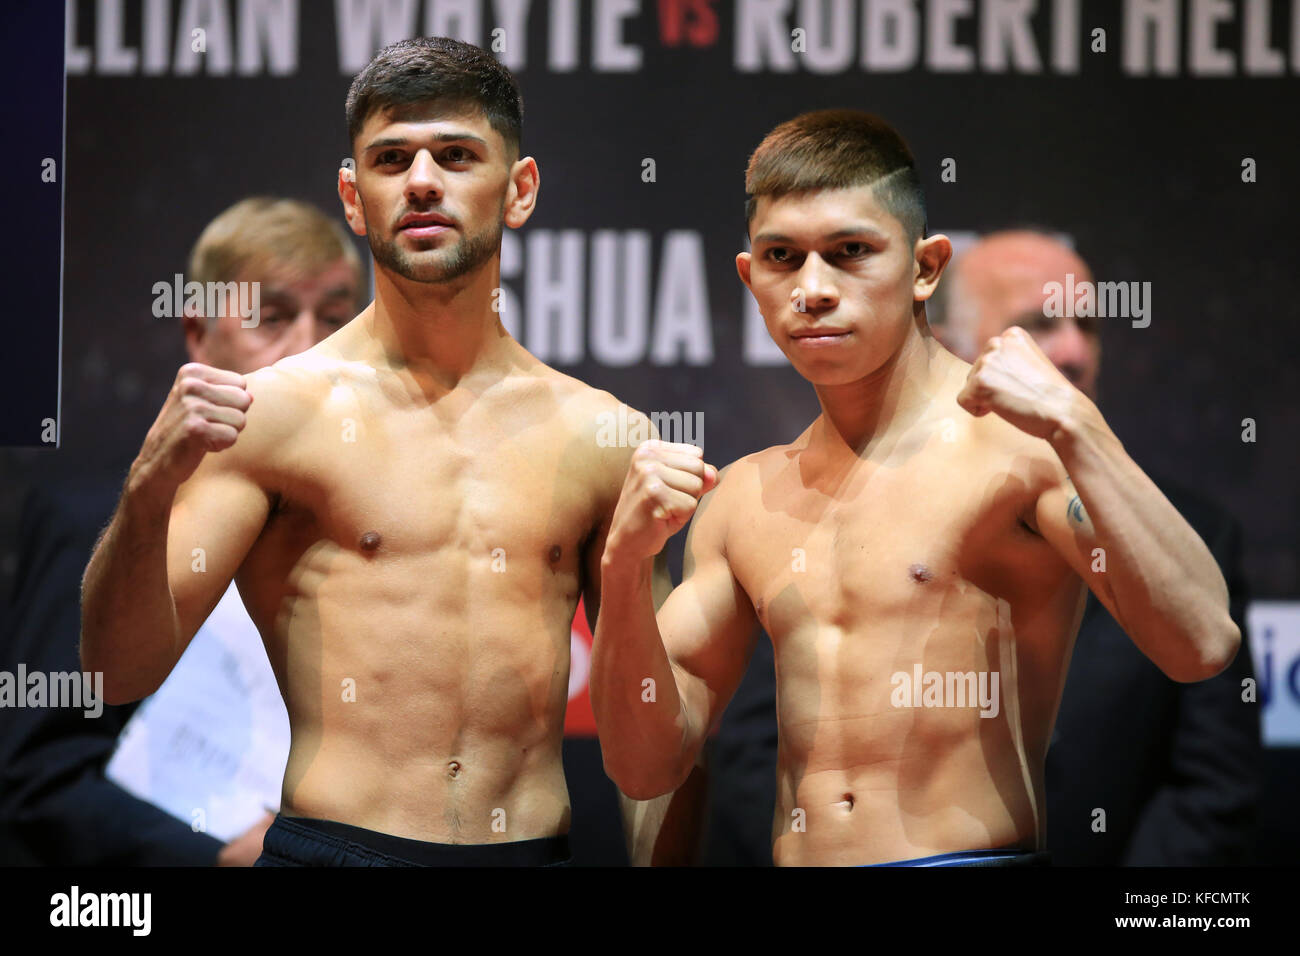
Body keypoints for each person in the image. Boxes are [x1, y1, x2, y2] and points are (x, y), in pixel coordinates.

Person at [590, 109, 1240, 866]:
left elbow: (1202, 642)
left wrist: (1077, 423)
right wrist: (624, 569)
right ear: (749, 277)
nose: (813, 289)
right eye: (781, 257)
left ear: (926, 267)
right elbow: (644, 765)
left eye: (850, 252)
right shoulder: (742, 497)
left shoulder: (1019, 450)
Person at [80, 36, 651, 867]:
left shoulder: (604, 435)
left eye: (456, 155)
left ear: (519, 190)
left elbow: (653, 754)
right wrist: (146, 490)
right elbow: (115, 673)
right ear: (354, 197)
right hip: (335, 851)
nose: (422, 181)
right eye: (391, 159)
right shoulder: (275, 416)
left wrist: (633, 567)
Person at [0, 196, 363, 865]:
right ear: (198, 334)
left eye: (336, 320)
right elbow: (39, 780)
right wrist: (213, 858)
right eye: (273, 318)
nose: (310, 347)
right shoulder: (94, 522)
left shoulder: (373, 527)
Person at [928, 230, 1261, 864]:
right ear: (951, 347)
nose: (1076, 349)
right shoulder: (867, 503)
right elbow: (767, 752)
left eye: (1089, 324)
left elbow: (1212, 788)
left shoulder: (1188, 535)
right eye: (1040, 324)